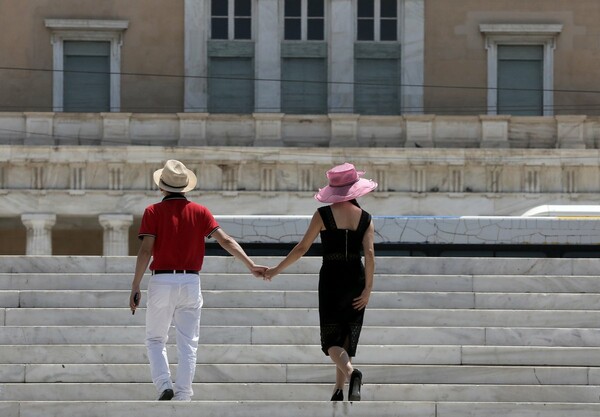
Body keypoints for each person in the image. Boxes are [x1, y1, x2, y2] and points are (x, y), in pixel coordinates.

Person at [129, 159, 267, 401]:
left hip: (162, 281)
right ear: (185, 188)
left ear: (162, 187)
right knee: (188, 342)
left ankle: (164, 385)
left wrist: (135, 285)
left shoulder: (153, 211)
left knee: (155, 338)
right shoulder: (201, 212)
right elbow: (226, 241)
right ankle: (183, 394)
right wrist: (250, 264)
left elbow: (145, 250)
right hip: (191, 282)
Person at [264, 162, 377, 402]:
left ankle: (352, 373)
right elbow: (369, 255)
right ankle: (338, 390)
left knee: (330, 342)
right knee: (345, 337)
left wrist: (275, 269)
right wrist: (367, 289)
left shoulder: (323, 214)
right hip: (356, 278)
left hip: (332, 278)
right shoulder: (366, 218)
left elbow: (302, 248)